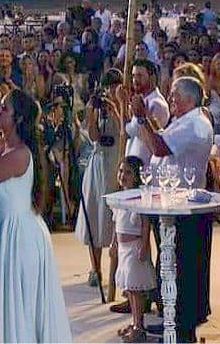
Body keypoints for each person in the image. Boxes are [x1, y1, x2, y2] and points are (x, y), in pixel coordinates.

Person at [0, 89, 72, 343]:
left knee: (20, 308)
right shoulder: (1, 145)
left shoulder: (20, 154)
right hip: (3, 229)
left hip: (19, 235)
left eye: (4, 108)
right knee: (5, 303)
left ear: (17, 119)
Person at [132, 76, 214, 342]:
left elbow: (159, 147)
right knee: (169, 265)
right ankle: (172, 319)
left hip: (184, 208)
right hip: (171, 204)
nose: (171, 99)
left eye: (175, 95)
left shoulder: (194, 123)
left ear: (188, 98)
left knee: (182, 269)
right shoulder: (184, 120)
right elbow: (160, 138)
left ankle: (182, 328)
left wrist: (141, 117)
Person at [75, 68, 123, 287]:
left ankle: (118, 269)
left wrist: (116, 110)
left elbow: (125, 133)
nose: (110, 92)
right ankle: (95, 269)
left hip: (116, 162)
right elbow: (94, 136)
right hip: (98, 163)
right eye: (107, 87)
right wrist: (92, 116)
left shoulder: (123, 105)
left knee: (113, 217)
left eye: (114, 86)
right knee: (94, 213)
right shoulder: (97, 107)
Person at [110, 156, 156, 343]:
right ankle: (135, 322)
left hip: (134, 248)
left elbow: (145, 224)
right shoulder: (119, 197)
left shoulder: (139, 197)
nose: (123, 175)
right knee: (129, 289)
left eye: (128, 172)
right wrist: (114, 243)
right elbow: (116, 223)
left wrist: (144, 244)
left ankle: (139, 326)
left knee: (135, 290)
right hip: (123, 248)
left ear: (137, 177)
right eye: (121, 171)